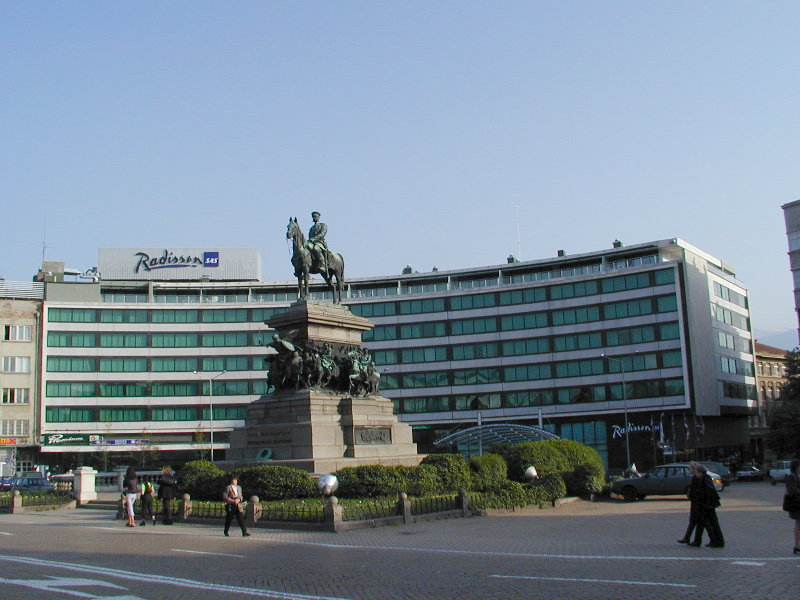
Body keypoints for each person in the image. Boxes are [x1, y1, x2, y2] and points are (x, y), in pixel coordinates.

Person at [693, 463, 725, 548]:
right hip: (706, 505)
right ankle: (713, 540)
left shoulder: (705, 479)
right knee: (706, 523)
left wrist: (704, 498)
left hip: (708, 505)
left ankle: (718, 541)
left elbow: (710, 490)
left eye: (696, 472)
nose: (695, 473)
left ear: (700, 472)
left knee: (713, 523)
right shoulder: (703, 478)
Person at [678, 462, 704, 545]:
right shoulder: (695, 477)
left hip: (697, 503)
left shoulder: (697, 478)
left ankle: (695, 540)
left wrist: (692, 495)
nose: (689, 470)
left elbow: (696, 490)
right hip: (695, 502)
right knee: (693, 521)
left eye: (690, 468)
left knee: (698, 522)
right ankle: (688, 538)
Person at [785, 459, 800, 555]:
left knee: (798, 525)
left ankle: (797, 546)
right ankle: (797, 545)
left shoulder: (797, 476)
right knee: (798, 524)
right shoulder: (792, 476)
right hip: (796, 504)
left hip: (798, 503)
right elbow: (791, 491)